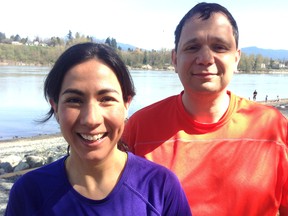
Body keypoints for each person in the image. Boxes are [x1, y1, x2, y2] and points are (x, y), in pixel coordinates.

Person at [122, 2, 288, 215]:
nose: (205, 59)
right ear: (174, 58)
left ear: (236, 58)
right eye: (192, 47)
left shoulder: (273, 128)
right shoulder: (141, 126)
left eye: (219, 47)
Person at [5, 43, 192, 216]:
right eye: (74, 100)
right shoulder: (30, 192)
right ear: (55, 107)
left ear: (127, 104)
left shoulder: (160, 187)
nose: (91, 119)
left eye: (106, 99)